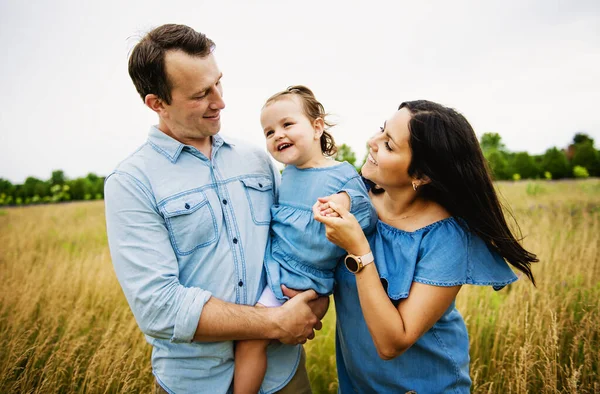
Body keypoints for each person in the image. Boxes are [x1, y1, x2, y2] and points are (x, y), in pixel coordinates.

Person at [104, 24, 328, 394]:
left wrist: (313, 302)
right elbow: (159, 307)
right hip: (194, 383)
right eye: (200, 94)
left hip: (283, 375)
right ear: (157, 103)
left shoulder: (258, 159)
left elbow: (296, 241)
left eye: (218, 83)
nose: (220, 101)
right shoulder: (131, 182)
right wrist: (274, 322)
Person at [313, 100, 538, 393]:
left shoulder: (448, 238)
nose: (372, 142)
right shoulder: (354, 197)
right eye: (381, 131)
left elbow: (393, 343)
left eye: (389, 145)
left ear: (421, 175)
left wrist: (359, 250)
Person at [233, 86, 377, 394]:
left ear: (316, 126)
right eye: (268, 131)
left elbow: (366, 209)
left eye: (287, 124)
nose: (277, 135)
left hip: (303, 279)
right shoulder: (288, 174)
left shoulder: (341, 173)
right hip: (278, 270)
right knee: (250, 336)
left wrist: (343, 200)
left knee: (250, 342)